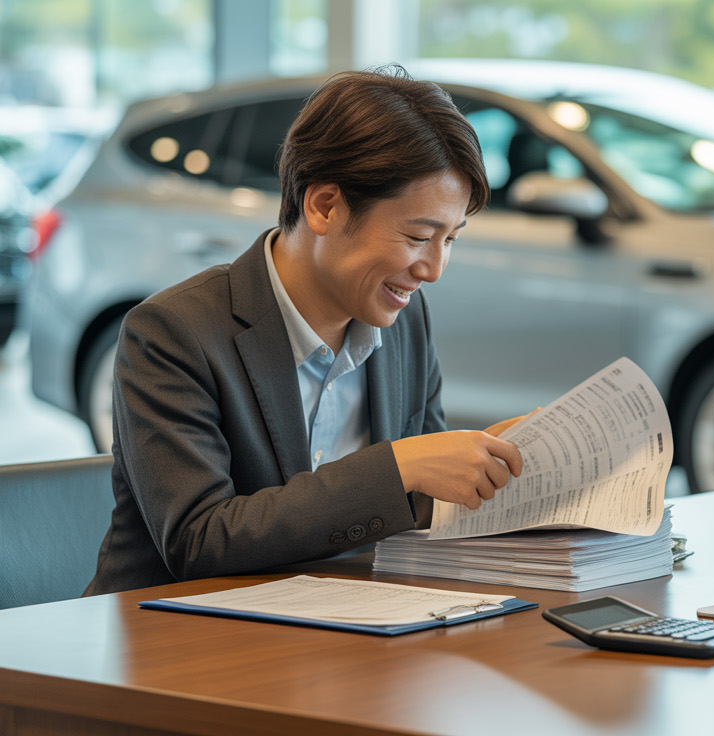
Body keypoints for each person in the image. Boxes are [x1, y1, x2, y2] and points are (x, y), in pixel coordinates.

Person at [86, 66, 531, 595]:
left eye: (451, 240)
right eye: (418, 236)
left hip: (343, 631)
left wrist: (494, 464)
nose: (433, 269)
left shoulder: (406, 321)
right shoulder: (172, 333)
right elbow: (199, 542)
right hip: (177, 644)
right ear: (324, 206)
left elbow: (419, 503)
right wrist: (396, 467)